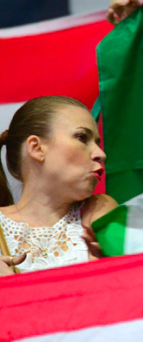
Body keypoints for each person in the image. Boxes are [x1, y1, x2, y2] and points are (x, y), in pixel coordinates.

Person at [0, 95, 117, 275]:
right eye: (81, 137)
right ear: (37, 148)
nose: (100, 154)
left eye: (97, 142)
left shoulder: (99, 211)